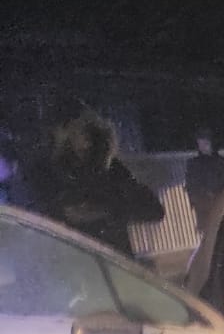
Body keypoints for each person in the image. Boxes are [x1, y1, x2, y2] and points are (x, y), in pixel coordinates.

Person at [34, 107, 164, 256]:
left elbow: (153, 210)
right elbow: (41, 216)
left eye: (89, 133)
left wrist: (105, 210)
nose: (86, 141)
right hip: (73, 258)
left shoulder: (112, 170)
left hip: (112, 259)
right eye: (74, 130)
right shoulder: (50, 172)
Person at [184, 128, 224, 228]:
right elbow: (191, 187)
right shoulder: (193, 165)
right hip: (205, 212)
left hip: (223, 211)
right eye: (200, 143)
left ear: (212, 143)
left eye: (206, 143)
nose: (202, 147)